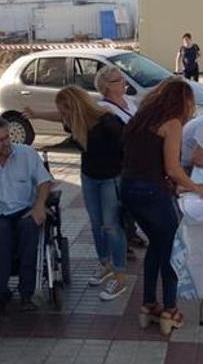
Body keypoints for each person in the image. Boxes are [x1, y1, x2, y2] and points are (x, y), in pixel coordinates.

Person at [120, 78, 203, 336]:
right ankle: (170, 311)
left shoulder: (141, 118)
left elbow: (147, 162)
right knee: (171, 250)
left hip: (129, 190)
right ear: (183, 102)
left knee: (157, 247)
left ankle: (148, 305)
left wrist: (174, 184)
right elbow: (172, 167)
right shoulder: (171, 124)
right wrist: (195, 186)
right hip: (151, 193)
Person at [23, 86, 129, 300]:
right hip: (89, 177)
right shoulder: (77, 122)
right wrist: (36, 114)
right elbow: (58, 115)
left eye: (65, 111)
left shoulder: (108, 122)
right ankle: (105, 264)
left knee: (111, 226)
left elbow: (128, 148)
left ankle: (120, 276)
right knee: (96, 223)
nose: (63, 117)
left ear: (77, 107)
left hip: (111, 179)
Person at [0, 116, 54, 313]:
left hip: (25, 210)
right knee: (0, 230)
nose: (6, 143)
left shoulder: (26, 154)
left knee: (29, 227)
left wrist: (39, 205)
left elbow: (44, 182)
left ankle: (28, 292)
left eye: (7, 137)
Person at [93, 66, 147, 252]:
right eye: (119, 80)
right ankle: (121, 243)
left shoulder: (128, 101)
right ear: (107, 87)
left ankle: (130, 233)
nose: (124, 82)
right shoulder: (104, 109)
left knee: (129, 203)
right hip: (118, 165)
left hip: (135, 162)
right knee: (117, 206)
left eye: (123, 79)